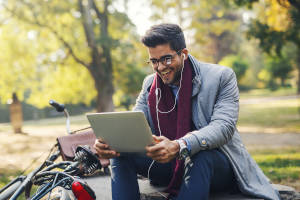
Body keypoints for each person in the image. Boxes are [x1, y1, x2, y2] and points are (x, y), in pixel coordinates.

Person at [94, 23, 280, 200]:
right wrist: (110, 142)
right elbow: (134, 125)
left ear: (183, 53)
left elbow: (224, 127)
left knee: (200, 154)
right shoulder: (149, 84)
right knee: (118, 153)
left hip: (216, 167)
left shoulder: (221, 77)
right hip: (169, 166)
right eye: (154, 61)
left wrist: (180, 145)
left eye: (167, 59)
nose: (160, 67)